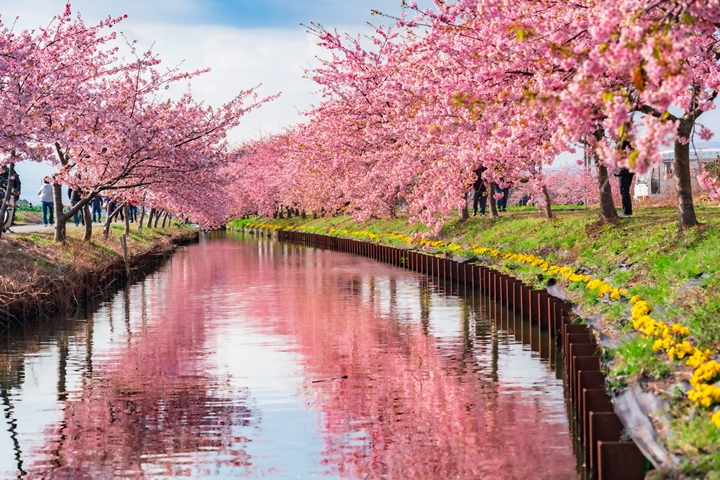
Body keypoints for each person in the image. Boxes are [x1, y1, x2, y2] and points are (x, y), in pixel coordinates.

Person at [615, 140, 635, 217]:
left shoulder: (621, 147)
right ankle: (628, 210)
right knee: (626, 191)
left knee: (624, 191)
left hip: (624, 170)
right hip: (631, 170)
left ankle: (627, 211)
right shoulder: (631, 147)